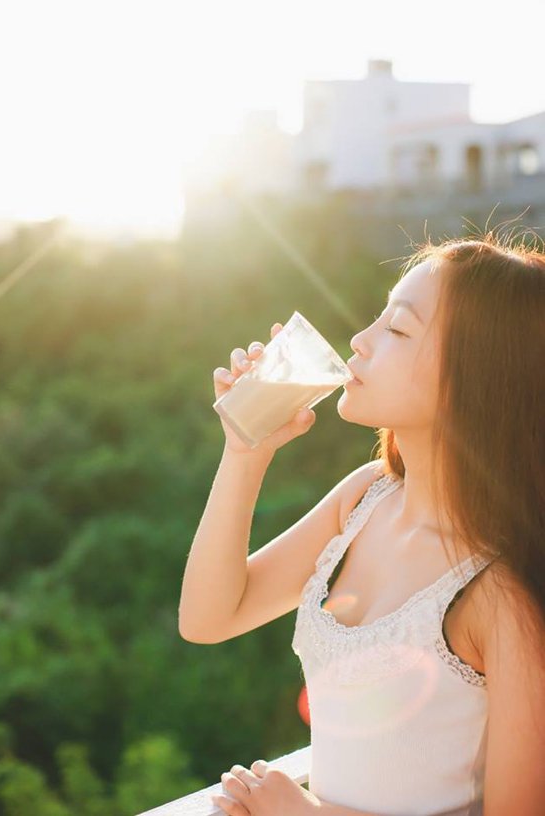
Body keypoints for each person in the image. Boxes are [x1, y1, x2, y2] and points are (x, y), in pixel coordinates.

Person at [179, 232, 545, 816]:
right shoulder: (365, 498)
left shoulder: (500, 594)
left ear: (477, 376)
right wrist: (245, 449)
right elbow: (208, 617)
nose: (359, 340)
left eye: (397, 329)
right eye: (379, 316)